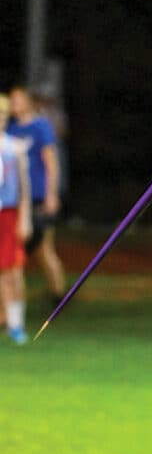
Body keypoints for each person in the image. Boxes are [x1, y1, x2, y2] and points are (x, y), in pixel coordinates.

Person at [6, 84, 66, 302]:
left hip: (39, 196)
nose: (14, 104)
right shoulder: (11, 129)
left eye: (18, 99)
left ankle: (59, 295)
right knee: (15, 253)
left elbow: (51, 162)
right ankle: (13, 304)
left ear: (28, 102)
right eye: (12, 100)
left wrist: (52, 194)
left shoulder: (41, 126)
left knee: (44, 249)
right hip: (17, 198)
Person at [0, 94, 32, 344]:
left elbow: (24, 187)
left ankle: (17, 323)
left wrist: (25, 217)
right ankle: (10, 322)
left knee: (15, 271)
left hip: (10, 215)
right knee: (2, 272)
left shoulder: (14, 147)